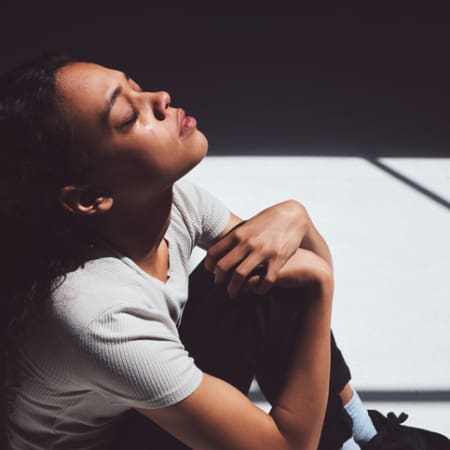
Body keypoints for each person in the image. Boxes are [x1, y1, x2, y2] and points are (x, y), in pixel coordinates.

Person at [0, 53, 448, 450]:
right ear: (88, 197)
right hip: (115, 440)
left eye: (137, 86)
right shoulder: (97, 314)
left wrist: (296, 216)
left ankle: (361, 434)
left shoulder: (174, 204)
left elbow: (284, 276)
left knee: (261, 274)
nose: (160, 98)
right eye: (127, 116)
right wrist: (320, 284)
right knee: (282, 279)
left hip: (129, 411)